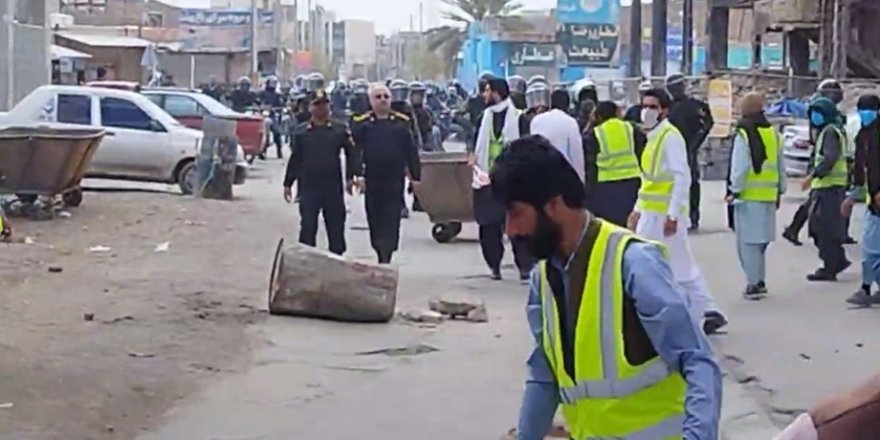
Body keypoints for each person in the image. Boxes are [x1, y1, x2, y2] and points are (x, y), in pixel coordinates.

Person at [489, 136, 721, 440]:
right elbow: (545, 377)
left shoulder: (634, 264)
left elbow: (698, 362)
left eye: (516, 213)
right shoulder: (544, 279)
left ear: (554, 205)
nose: (510, 230)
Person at [628, 88, 728, 334]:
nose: (647, 111)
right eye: (645, 106)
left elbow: (681, 177)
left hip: (665, 217)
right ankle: (699, 312)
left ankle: (706, 311)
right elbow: (649, 179)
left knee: (680, 267)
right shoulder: (653, 137)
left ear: (664, 110)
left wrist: (674, 215)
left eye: (653, 107)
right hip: (651, 214)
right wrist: (637, 208)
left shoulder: (670, 137)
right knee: (660, 266)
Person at [283, 90, 362, 255]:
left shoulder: (339, 130)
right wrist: (288, 184)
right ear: (310, 108)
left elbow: (352, 153)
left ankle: (336, 263)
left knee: (336, 229)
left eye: (324, 104)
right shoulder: (302, 132)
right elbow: (295, 159)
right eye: (317, 104)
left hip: (332, 187)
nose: (321, 109)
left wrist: (352, 176)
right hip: (309, 187)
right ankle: (306, 263)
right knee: (307, 228)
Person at [469, 77, 533, 280]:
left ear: (496, 92)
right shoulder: (483, 118)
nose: (484, 95)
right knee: (488, 225)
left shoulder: (520, 118)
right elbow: (474, 143)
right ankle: (494, 265)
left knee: (519, 223)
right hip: (486, 179)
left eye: (487, 90)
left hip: (512, 179)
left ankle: (524, 266)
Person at [351, 84, 421, 264]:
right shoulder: (363, 124)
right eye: (378, 97)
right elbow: (355, 152)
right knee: (374, 215)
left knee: (391, 216)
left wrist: (416, 177)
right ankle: (378, 247)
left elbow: (411, 151)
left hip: (394, 178)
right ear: (370, 101)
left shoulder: (401, 122)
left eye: (385, 96)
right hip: (372, 178)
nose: (382, 100)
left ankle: (387, 252)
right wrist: (356, 175)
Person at [725, 92, 785, 300]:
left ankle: (754, 283)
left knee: (747, 244)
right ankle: (759, 279)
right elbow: (780, 165)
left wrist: (734, 190)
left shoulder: (743, 134)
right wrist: (780, 190)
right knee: (761, 243)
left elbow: (739, 167)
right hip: (768, 196)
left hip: (748, 197)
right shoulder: (773, 133)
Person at [783, 79, 856, 246]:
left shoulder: (831, 112)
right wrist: (816, 170)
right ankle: (795, 229)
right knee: (816, 201)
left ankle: (795, 229)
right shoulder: (820, 111)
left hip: (831, 164)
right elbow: (818, 140)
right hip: (823, 163)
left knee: (829, 200)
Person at [802, 96, 851, 281]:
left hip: (829, 187)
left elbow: (830, 158)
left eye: (819, 113)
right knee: (822, 228)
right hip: (828, 187)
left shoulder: (830, 132)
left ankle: (831, 265)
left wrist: (814, 174)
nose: (815, 117)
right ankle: (836, 261)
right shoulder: (830, 130)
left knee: (823, 229)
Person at [842, 94, 880, 306]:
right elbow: (860, 170)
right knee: (873, 248)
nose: (866, 113)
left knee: (871, 248)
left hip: (877, 200)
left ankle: (866, 289)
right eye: (862, 109)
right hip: (872, 200)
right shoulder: (863, 136)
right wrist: (853, 196)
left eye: (870, 109)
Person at [583, 100, 644, 227]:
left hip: (605, 187)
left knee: (611, 228)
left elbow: (590, 167)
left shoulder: (594, 134)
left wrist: (588, 196)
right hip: (632, 183)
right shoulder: (631, 128)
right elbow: (642, 153)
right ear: (617, 112)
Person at [666, 74, 713, 231]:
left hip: (688, 149)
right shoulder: (667, 107)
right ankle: (676, 214)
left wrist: (696, 143)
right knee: (673, 183)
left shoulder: (694, 105)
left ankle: (693, 217)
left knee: (692, 183)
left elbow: (708, 122)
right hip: (671, 149)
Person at [529, 88, 584, 183]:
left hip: (539, 174)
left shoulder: (536, 121)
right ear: (567, 104)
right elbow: (576, 154)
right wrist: (581, 180)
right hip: (563, 176)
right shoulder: (570, 122)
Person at [259, 76, 286, 159]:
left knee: (277, 132)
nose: (272, 85)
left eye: (274, 83)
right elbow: (257, 102)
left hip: (272, 115)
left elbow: (281, 105)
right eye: (271, 83)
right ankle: (262, 150)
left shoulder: (277, 95)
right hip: (261, 116)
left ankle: (279, 150)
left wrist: (276, 109)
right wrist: (260, 106)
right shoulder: (261, 93)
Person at [408, 81, 435, 151]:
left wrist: (428, 146)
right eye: (415, 95)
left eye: (419, 95)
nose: (417, 98)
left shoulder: (425, 111)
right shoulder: (405, 111)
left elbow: (428, 131)